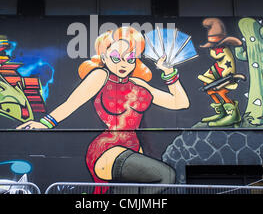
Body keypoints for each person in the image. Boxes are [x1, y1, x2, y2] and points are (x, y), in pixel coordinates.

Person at [17, 26, 190, 193]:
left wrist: (169, 73)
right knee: (166, 175)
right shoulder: (100, 76)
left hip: (133, 148)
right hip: (107, 149)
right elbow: (71, 104)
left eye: (130, 59)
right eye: (116, 57)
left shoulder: (140, 84)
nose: (123, 64)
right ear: (104, 58)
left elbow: (180, 103)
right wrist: (43, 124)